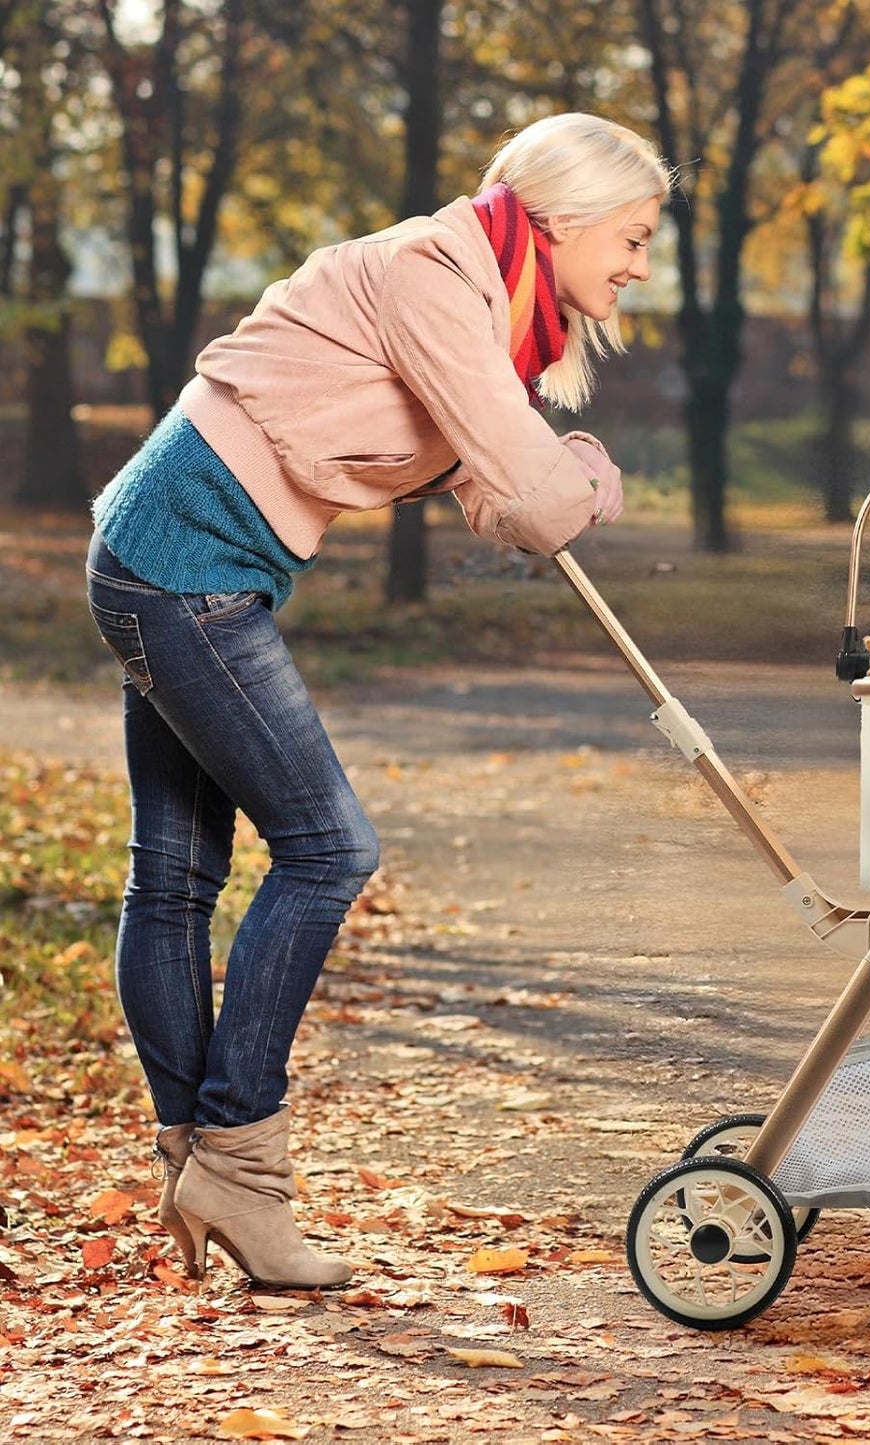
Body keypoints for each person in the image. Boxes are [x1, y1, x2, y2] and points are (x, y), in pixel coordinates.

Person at [85, 113, 674, 1290]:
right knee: (326, 847)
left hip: (182, 558)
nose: (640, 264)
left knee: (177, 874)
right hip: (180, 566)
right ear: (558, 219)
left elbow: (497, 494)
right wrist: (576, 479)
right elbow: (533, 492)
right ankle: (236, 1165)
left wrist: (565, 469)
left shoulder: (476, 302)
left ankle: (197, 1163)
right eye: (633, 235)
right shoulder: (431, 272)